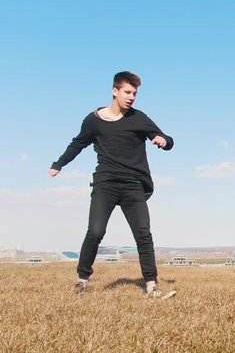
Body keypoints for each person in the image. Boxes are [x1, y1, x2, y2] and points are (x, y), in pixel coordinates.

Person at [49, 71, 176, 299]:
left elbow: (166, 139)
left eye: (135, 93)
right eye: (127, 92)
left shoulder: (138, 118)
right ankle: (82, 279)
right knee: (96, 231)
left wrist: (164, 140)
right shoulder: (93, 121)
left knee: (143, 235)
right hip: (105, 184)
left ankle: (151, 285)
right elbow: (78, 144)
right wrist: (59, 163)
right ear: (114, 91)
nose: (131, 97)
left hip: (133, 185)